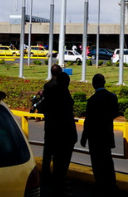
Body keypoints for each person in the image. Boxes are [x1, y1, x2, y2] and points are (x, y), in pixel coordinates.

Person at [81, 74, 120, 197]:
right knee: (108, 160)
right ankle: (111, 185)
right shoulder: (113, 97)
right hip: (107, 133)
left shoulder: (92, 100)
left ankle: (100, 185)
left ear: (93, 84)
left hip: (95, 136)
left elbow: (88, 121)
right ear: (104, 82)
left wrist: (84, 137)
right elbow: (115, 113)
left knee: (97, 162)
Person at [43, 65, 78, 197]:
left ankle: (53, 182)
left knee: (51, 156)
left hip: (52, 129)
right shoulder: (62, 94)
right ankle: (59, 186)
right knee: (62, 162)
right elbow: (66, 116)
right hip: (64, 134)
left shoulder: (50, 89)